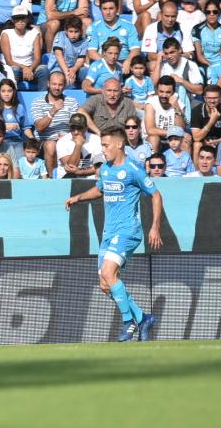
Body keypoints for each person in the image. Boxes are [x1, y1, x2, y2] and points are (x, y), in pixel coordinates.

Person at [65, 125, 162, 342]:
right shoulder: (106, 169)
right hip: (108, 233)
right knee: (104, 284)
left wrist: (155, 226)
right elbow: (100, 189)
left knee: (109, 273)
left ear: (120, 144)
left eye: (106, 145)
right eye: (102, 145)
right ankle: (142, 317)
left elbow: (156, 195)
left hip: (128, 230)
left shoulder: (133, 169)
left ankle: (129, 322)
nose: (104, 149)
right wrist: (78, 198)